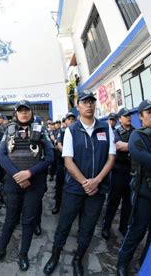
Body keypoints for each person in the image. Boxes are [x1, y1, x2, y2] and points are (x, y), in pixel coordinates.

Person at [43, 90, 115, 276]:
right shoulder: (71, 131)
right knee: (64, 224)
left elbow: (111, 157)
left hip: (97, 189)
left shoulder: (106, 128)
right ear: (78, 106)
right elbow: (68, 161)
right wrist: (85, 182)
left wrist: (97, 181)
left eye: (92, 101)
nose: (89, 104)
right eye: (85, 102)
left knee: (88, 227)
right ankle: (55, 256)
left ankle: (78, 259)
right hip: (74, 188)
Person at [0, 100, 53, 270]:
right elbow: (1, 155)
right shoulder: (9, 130)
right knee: (10, 218)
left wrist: (29, 173)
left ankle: (23, 253)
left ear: (31, 112)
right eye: (20, 110)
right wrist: (17, 175)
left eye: (26, 110)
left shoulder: (41, 129)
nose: (23, 113)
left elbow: (49, 157)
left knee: (28, 220)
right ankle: (1, 249)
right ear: (16, 113)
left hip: (35, 182)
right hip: (13, 182)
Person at [117, 100, 151, 276]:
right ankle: (122, 262)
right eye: (148, 112)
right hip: (144, 190)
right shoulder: (137, 135)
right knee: (137, 230)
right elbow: (139, 153)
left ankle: (144, 261)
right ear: (140, 117)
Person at [102, 108, 134, 240]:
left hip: (131, 171)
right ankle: (106, 226)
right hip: (118, 172)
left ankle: (123, 226)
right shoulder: (115, 132)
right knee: (113, 202)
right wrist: (138, 146)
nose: (128, 118)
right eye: (125, 116)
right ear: (120, 119)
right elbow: (119, 146)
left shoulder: (136, 131)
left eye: (129, 115)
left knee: (128, 203)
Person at [52, 112, 76, 215]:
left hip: (75, 164)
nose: (71, 121)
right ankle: (58, 205)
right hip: (62, 163)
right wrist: (68, 153)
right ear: (65, 122)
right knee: (60, 185)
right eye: (68, 119)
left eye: (72, 119)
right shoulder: (61, 132)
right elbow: (59, 145)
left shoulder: (78, 131)